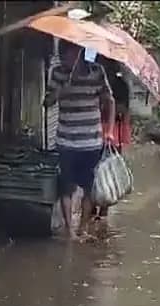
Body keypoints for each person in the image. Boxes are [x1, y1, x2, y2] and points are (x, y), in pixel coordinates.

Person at [44, 41, 115, 241]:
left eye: (74, 52)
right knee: (66, 188)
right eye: (67, 53)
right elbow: (47, 102)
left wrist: (109, 130)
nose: (71, 57)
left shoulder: (97, 71)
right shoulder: (57, 73)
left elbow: (109, 100)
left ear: (81, 52)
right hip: (66, 141)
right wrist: (60, 89)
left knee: (89, 188)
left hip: (91, 142)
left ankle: (83, 228)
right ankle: (70, 231)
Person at [91, 59, 132, 230]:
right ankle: (95, 207)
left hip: (113, 130)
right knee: (95, 169)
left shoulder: (120, 86)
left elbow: (123, 110)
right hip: (98, 128)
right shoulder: (97, 81)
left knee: (108, 169)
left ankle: (103, 209)